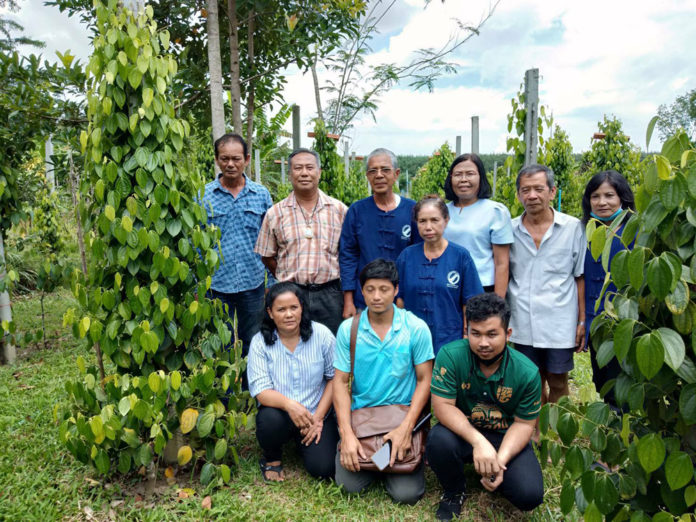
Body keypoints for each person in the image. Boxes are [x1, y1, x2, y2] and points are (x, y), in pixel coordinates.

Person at [426, 293, 544, 519]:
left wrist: (499, 461)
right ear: (466, 331)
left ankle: (493, 474)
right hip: (464, 433)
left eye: (492, 334)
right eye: (475, 333)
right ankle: (454, 490)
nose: (483, 343)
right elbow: (442, 407)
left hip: (505, 435)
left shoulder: (527, 372)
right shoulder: (450, 355)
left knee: (529, 495)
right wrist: (478, 441)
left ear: (508, 334)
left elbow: (523, 425)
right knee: (438, 440)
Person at [333, 259, 434, 504]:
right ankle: (380, 462)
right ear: (362, 291)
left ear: (396, 290)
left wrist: (407, 428)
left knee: (406, 495)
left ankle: (384, 463)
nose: (376, 296)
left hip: (400, 420)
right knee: (349, 487)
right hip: (363, 421)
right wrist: (346, 434)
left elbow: (424, 380)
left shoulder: (415, 328)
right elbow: (340, 382)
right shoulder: (349, 329)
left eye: (384, 289)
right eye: (370, 289)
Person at [507, 164, 586, 414]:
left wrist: (582, 321)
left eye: (538, 189)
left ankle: (555, 434)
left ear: (552, 192)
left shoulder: (573, 228)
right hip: (522, 320)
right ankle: (534, 434)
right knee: (531, 381)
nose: (532, 196)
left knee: (558, 380)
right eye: (525, 190)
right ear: (518, 195)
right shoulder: (508, 230)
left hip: (559, 320)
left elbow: (579, 276)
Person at [247, 282, 339, 482]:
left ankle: (304, 442)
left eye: (293, 308)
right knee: (269, 420)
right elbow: (261, 391)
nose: (288, 314)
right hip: (280, 414)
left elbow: (335, 379)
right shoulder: (260, 342)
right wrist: (290, 406)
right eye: (281, 309)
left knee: (323, 469)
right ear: (270, 313)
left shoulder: (322, 335)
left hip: (316, 412)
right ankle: (272, 459)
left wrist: (318, 418)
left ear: (302, 308)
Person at [201, 133, 272, 389]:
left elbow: (271, 240)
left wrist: (271, 282)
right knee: (220, 340)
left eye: (236, 158)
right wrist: (199, 283)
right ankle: (224, 392)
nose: (230, 164)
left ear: (247, 160)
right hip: (216, 285)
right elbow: (198, 242)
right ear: (217, 160)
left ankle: (252, 389)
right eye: (225, 158)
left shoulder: (261, 195)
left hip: (253, 284)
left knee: (253, 339)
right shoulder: (204, 195)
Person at [255, 148, 348, 334]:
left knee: (331, 348)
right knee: (292, 345)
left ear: (319, 172)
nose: (304, 173)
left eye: (309, 167)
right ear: (290, 174)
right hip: (290, 294)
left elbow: (348, 254)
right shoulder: (276, 213)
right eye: (298, 168)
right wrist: (287, 277)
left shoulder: (339, 210)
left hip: (330, 295)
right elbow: (267, 256)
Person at [396, 195, 483, 353]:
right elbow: (399, 299)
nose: (428, 227)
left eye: (435, 220)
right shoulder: (406, 257)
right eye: (422, 221)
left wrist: (467, 335)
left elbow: (471, 302)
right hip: (412, 341)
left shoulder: (460, 256)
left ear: (446, 220)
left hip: (450, 341)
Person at [339, 148, 420, 317]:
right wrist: (348, 300)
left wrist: (405, 295)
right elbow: (348, 255)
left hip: (402, 299)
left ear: (396, 174)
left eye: (385, 170)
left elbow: (418, 256)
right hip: (365, 299)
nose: (379, 175)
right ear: (367, 176)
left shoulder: (412, 210)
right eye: (373, 171)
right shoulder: (357, 211)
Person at [582, 170, 635, 407]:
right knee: (601, 378)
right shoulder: (587, 231)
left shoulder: (635, 232)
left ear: (622, 198)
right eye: (596, 196)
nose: (602, 202)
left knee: (622, 382)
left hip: (625, 322)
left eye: (609, 195)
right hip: (597, 324)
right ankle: (612, 429)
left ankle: (625, 431)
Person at [443, 153, 513, 297]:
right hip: (445, 287)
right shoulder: (442, 211)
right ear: (451, 179)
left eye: (470, 174)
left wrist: (497, 303)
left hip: (481, 288)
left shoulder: (495, 212)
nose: (463, 179)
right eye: (458, 174)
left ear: (480, 177)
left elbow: (502, 264)